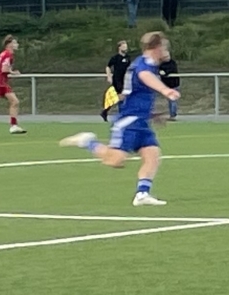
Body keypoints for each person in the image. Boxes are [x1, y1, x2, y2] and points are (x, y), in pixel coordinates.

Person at [60, 31, 177, 204]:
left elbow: (137, 94)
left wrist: (152, 115)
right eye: (165, 47)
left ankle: (142, 194)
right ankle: (87, 141)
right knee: (115, 161)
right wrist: (165, 90)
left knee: (152, 155)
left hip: (141, 121)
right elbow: (145, 77)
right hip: (129, 121)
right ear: (156, 47)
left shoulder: (149, 65)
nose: (167, 51)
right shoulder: (143, 65)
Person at [0, 35, 24, 133]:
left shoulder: (4, 54)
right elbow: (4, 69)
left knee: (14, 102)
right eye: (15, 43)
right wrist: (13, 72)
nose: (17, 45)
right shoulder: (8, 54)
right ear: (9, 44)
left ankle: (14, 126)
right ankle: (13, 126)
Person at [102, 39, 130, 121]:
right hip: (117, 80)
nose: (125, 48)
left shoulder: (128, 58)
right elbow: (108, 67)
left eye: (126, 46)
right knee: (121, 96)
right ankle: (122, 115)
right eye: (123, 46)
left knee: (120, 97)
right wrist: (109, 76)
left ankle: (105, 112)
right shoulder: (115, 58)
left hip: (125, 80)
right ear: (119, 47)